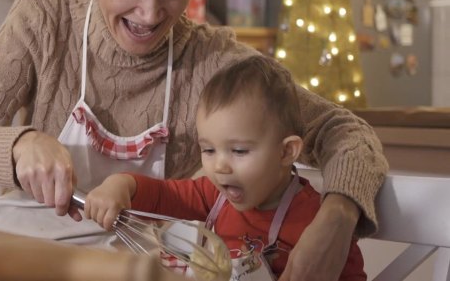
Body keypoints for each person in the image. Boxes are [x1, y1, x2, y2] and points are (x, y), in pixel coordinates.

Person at [0, 0, 388, 279]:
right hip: (40, 256)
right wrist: (19, 144)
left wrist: (337, 217)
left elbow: (348, 133)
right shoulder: (42, 22)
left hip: (143, 264)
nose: (150, 15)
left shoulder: (215, 61)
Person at [82, 55, 367, 280]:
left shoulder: (317, 221)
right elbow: (163, 196)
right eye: (208, 149)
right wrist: (120, 186)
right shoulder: (213, 196)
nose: (219, 166)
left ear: (286, 151)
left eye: (239, 151)